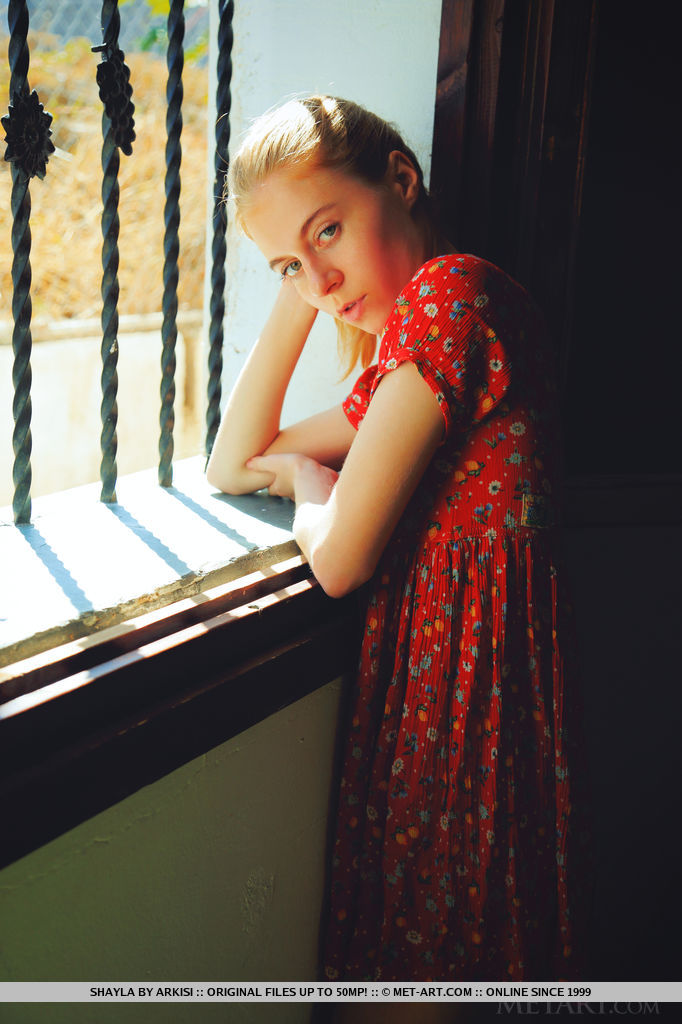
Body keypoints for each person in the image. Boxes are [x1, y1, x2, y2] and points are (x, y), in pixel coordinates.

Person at [206, 95, 592, 993]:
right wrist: (304, 283)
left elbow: (339, 560)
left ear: (401, 180)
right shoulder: (415, 352)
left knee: (419, 971)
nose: (320, 279)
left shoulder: (452, 301)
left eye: (329, 229)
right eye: (288, 266)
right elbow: (234, 462)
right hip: (454, 686)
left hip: (466, 701)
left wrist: (313, 489)